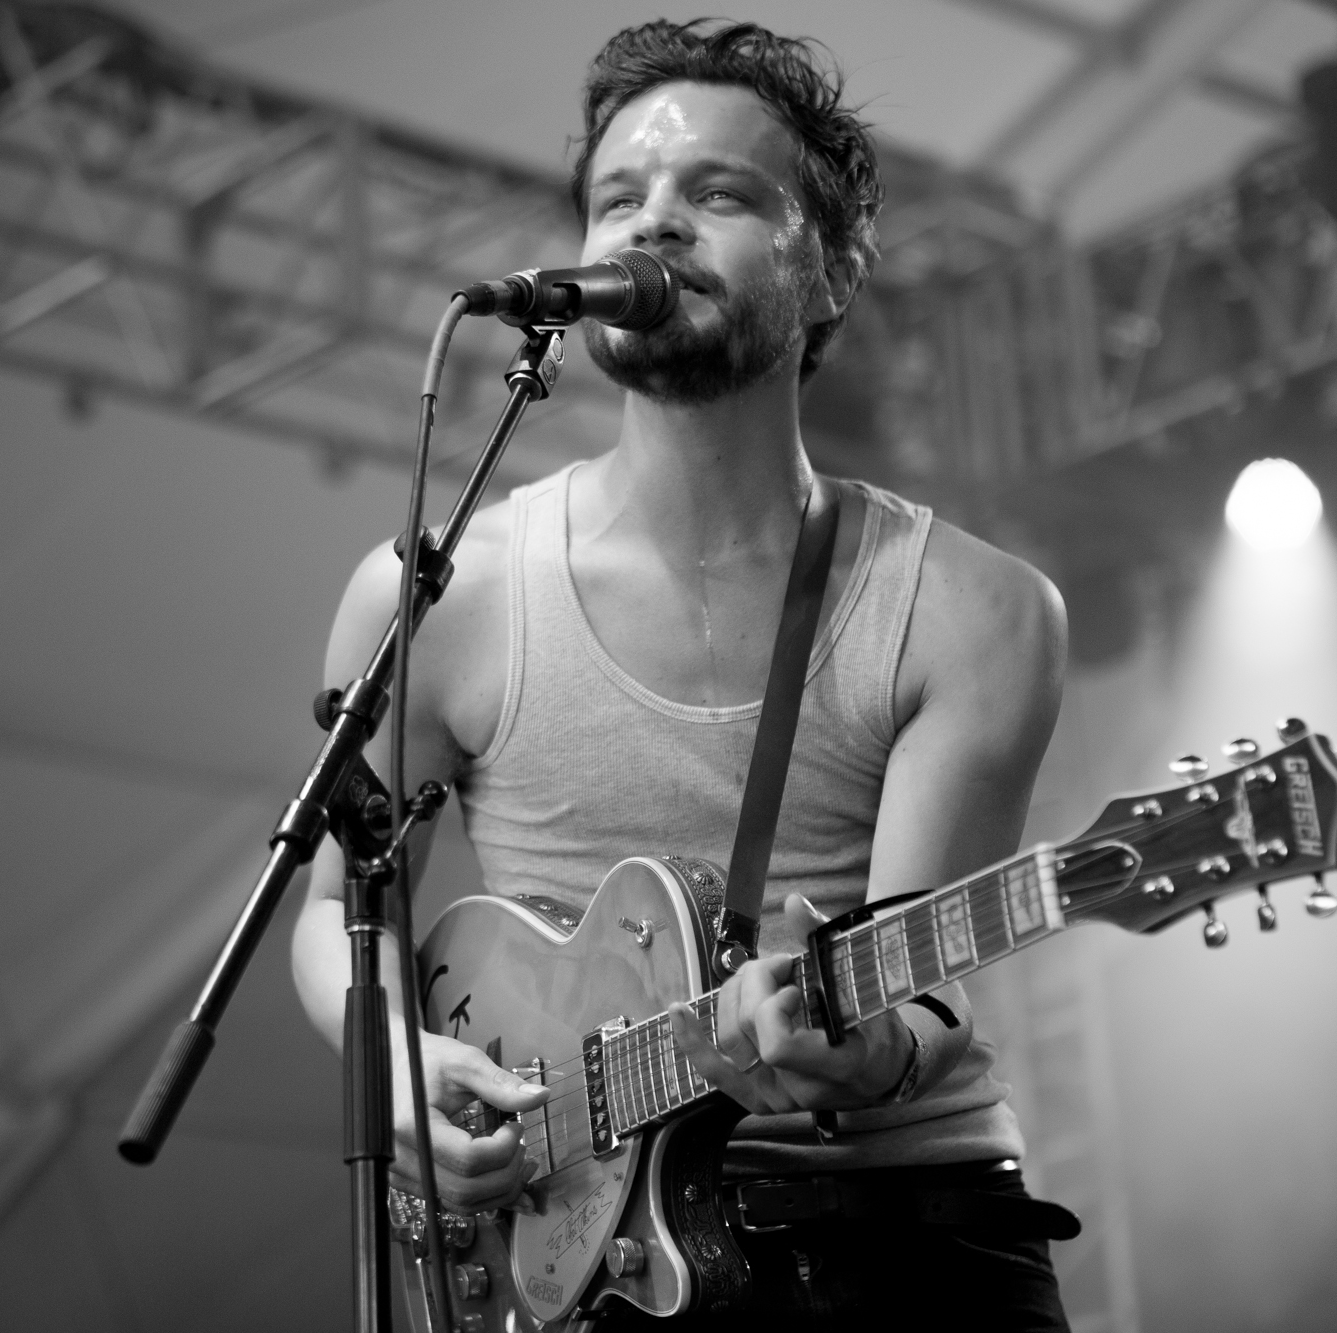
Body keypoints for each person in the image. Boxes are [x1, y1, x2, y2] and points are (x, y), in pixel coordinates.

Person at [292, 19, 1070, 1329]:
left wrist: (858, 1048)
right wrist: (396, 1073)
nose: (653, 220)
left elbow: (928, 981)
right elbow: (335, 913)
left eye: (719, 193)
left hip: (903, 1238)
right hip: (580, 1265)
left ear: (831, 270)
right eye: (618, 198)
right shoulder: (441, 594)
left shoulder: (973, 611)